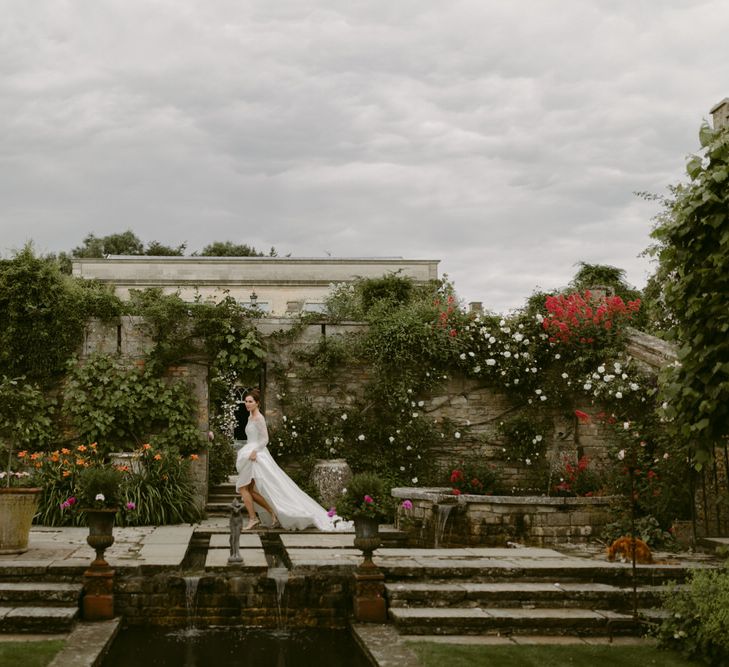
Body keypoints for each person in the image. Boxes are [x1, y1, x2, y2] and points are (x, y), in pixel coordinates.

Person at [235, 388, 349, 531]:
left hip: (255, 455)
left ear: (257, 403)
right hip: (249, 454)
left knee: (243, 488)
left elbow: (265, 439)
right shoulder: (249, 417)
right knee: (249, 489)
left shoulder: (259, 418)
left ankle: (253, 519)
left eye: (250, 401)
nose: (247, 404)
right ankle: (270, 513)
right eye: (246, 401)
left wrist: (255, 451)